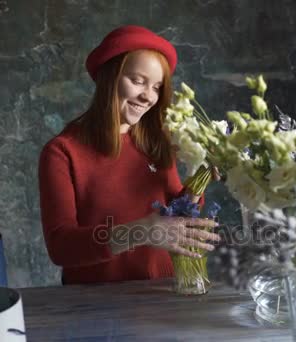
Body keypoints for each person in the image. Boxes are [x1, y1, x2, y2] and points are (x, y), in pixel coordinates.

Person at [38, 25, 220, 285]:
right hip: (97, 301)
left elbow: (173, 212)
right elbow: (61, 247)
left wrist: (199, 179)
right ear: (109, 77)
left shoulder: (157, 141)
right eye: (137, 81)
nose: (148, 96)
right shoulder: (62, 152)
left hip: (163, 290)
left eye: (157, 87)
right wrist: (143, 230)